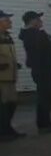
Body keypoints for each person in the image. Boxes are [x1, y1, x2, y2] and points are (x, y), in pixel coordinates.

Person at [18, 11, 51, 133]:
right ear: (32, 21)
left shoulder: (38, 34)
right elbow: (50, 45)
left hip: (45, 68)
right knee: (45, 96)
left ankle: (46, 122)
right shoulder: (33, 35)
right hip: (42, 69)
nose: (41, 22)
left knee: (48, 96)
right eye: (38, 19)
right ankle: (43, 124)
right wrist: (50, 42)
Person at [0, 10, 24, 141]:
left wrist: (15, 64)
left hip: (10, 76)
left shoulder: (7, 36)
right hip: (2, 78)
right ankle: (3, 132)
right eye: (6, 20)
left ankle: (7, 129)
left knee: (11, 104)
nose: (10, 22)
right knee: (3, 106)